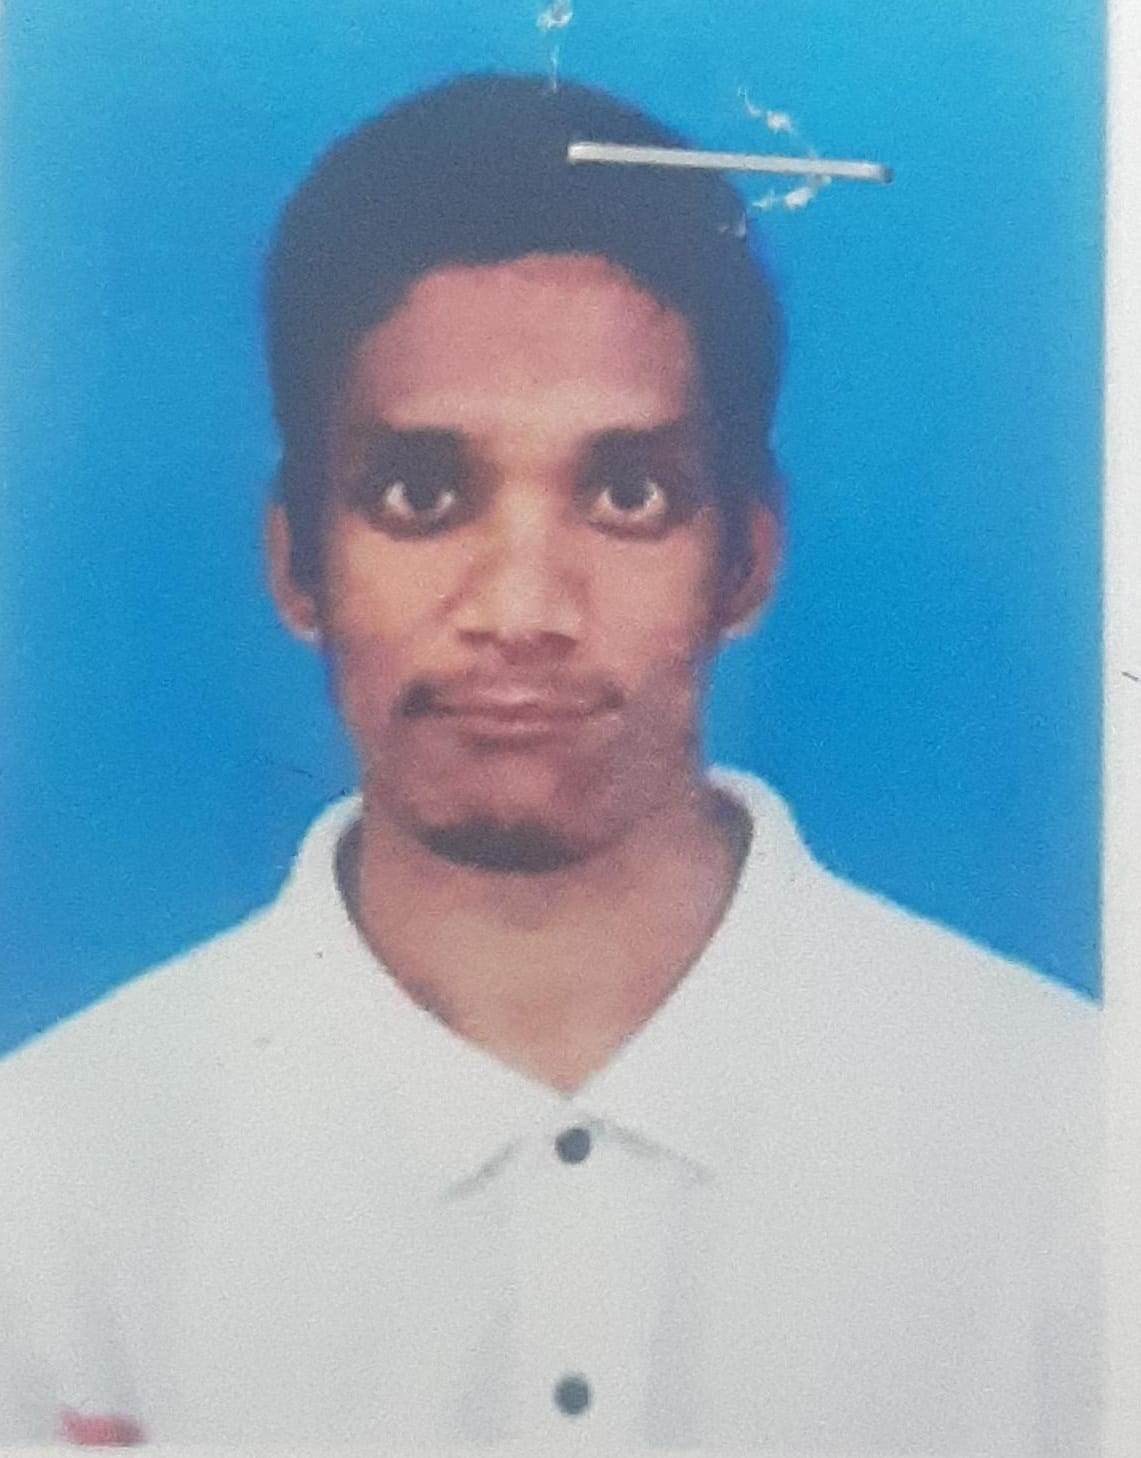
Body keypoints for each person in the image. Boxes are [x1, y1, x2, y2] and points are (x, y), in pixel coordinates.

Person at [0, 72, 1100, 1453]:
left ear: (746, 559)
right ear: (296, 562)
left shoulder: (1070, 1140)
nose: (522, 608)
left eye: (626, 493)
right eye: (421, 493)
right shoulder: (51, 1180)